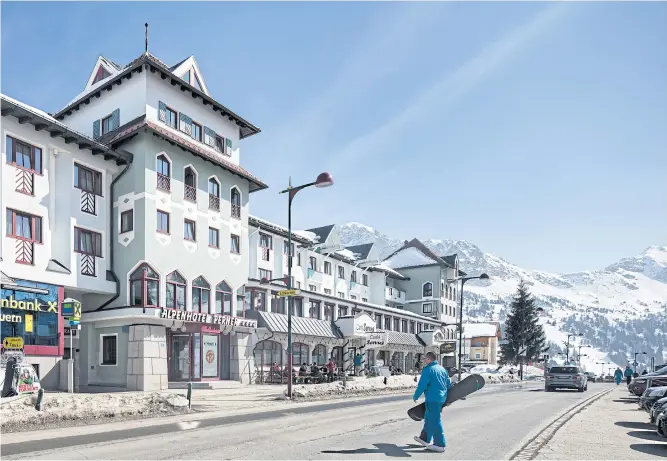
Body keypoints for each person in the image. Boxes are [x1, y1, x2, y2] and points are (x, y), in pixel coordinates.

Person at [412, 351, 451, 453]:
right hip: (441, 398)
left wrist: (416, 396)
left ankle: (439, 444)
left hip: (432, 399)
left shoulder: (428, 370)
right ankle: (425, 438)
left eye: (425, 359)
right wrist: (448, 398)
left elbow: (422, 385)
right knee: (429, 417)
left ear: (429, 359)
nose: (424, 360)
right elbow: (448, 384)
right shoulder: (442, 369)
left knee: (435, 420)